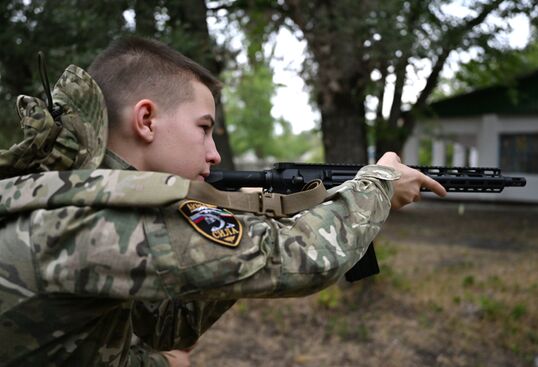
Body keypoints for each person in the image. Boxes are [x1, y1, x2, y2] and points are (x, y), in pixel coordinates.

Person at [0, 36, 446, 367]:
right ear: (146, 119)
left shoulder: (55, 193)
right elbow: (309, 258)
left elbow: (163, 326)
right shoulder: (107, 221)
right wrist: (381, 182)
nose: (214, 153)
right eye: (204, 127)